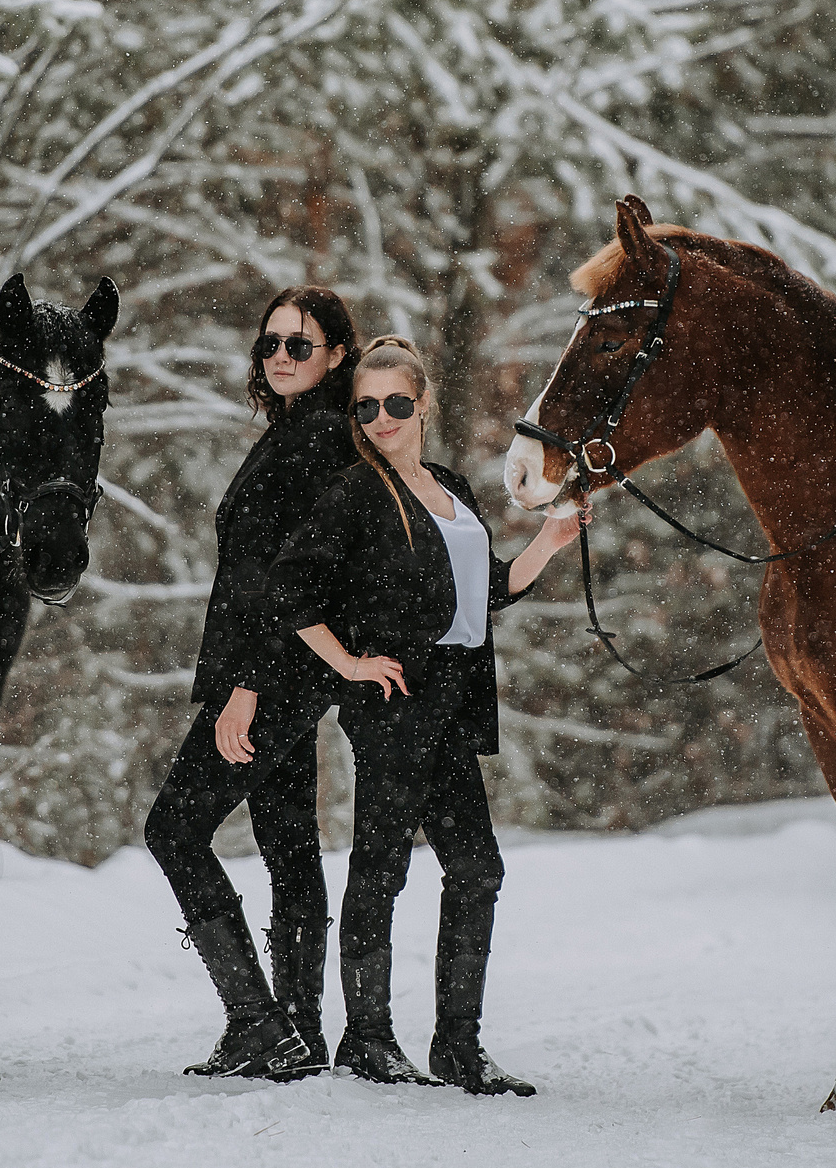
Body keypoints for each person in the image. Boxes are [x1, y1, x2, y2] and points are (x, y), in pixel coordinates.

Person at [268, 335, 587, 1094]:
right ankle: (367, 1039)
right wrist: (347, 662)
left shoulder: (448, 487)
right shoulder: (355, 491)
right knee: (380, 868)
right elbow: (288, 589)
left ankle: (457, 1047)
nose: (381, 417)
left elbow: (483, 593)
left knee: (477, 869)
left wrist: (549, 538)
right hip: (394, 702)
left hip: (453, 701)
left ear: (424, 404)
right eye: (367, 406)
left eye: (397, 403)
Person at [142, 285, 366, 1081]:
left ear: (337, 353)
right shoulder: (303, 434)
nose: (278, 356)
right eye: (269, 343)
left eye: (299, 345)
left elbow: (287, 582)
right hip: (288, 675)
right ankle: (295, 1029)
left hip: (269, 674)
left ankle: (257, 1021)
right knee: (288, 843)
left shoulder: (315, 442)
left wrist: (246, 686)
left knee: (173, 829)